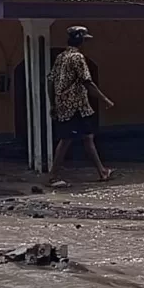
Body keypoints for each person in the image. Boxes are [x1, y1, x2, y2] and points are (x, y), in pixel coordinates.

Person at [47, 25, 114, 185]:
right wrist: (105, 99)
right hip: (76, 106)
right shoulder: (78, 58)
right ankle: (52, 176)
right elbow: (87, 82)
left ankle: (102, 171)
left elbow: (50, 81)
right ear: (81, 41)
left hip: (65, 105)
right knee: (66, 140)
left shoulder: (61, 57)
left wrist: (53, 103)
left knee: (86, 137)